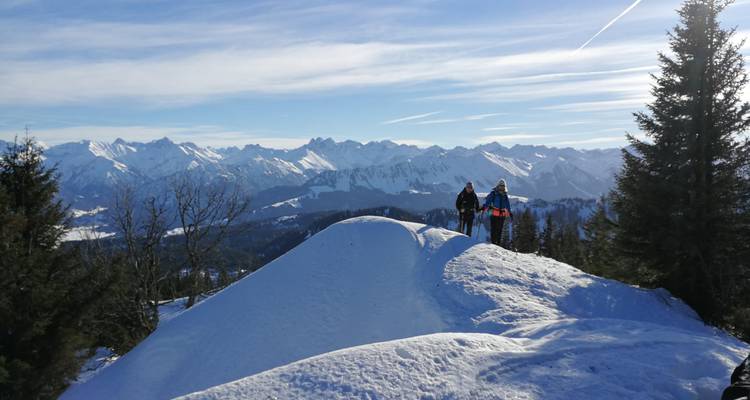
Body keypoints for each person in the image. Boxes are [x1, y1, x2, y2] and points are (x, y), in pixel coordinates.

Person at [482, 179, 513, 246]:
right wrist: (484, 208)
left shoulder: (505, 195)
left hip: (501, 215)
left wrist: (510, 212)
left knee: (499, 230)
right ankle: (493, 243)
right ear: (498, 186)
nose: (502, 187)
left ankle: (498, 244)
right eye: (501, 186)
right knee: (494, 229)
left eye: (503, 186)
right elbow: (488, 202)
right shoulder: (493, 193)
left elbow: (507, 205)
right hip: (493, 213)